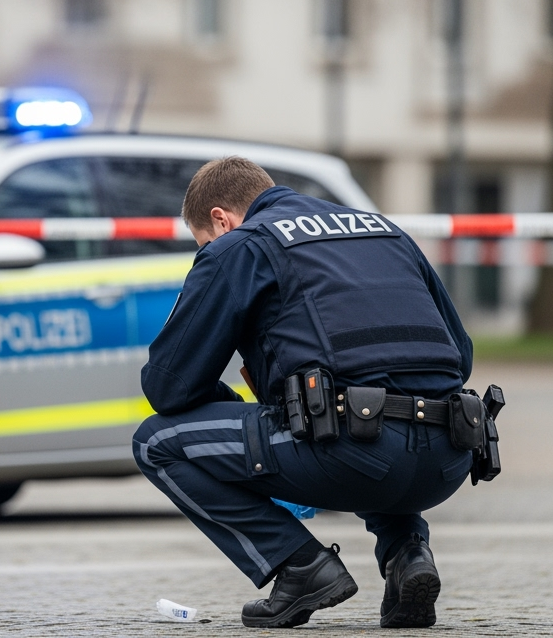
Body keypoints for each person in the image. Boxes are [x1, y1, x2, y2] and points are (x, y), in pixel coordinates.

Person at [133, 157, 479, 629]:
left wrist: (246, 410)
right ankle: (407, 553)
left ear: (220, 219)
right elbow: (461, 355)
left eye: (204, 242)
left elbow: (168, 386)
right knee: (360, 408)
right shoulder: (383, 229)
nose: (209, 248)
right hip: (449, 459)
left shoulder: (240, 245)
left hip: (354, 457)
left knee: (154, 442)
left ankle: (299, 566)